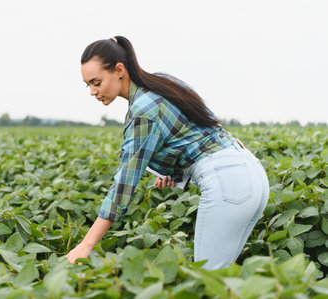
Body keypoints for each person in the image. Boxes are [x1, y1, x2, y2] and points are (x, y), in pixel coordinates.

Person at [65, 36, 269, 270]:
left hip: (228, 185)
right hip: (249, 171)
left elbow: (123, 186)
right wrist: (176, 171)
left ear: (119, 70)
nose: (92, 91)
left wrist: (86, 245)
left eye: (96, 82)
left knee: (207, 281)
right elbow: (198, 129)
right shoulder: (162, 82)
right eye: (88, 85)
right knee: (226, 279)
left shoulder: (142, 110)